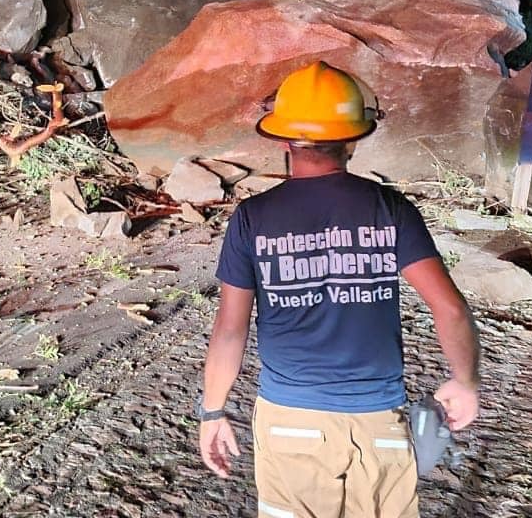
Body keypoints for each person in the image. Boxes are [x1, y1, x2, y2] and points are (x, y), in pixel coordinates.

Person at [197, 60, 480, 518]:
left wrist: (213, 412)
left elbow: (231, 330)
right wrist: (465, 381)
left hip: (290, 423)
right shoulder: (390, 208)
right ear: (351, 138)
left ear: (285, 137)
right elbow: (448, 308)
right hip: (380, 424)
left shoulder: (253, 219)